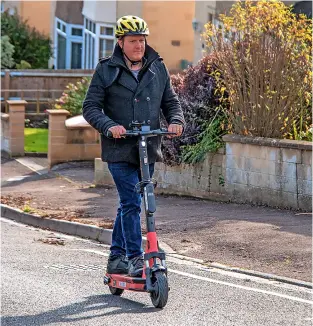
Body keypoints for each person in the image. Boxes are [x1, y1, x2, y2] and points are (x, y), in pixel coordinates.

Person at [83, 15, 185, 277]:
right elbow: (90, 107)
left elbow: (170, 102)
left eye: (141, 40)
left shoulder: (157, 67)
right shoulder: (106, 69)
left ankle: (116, 256)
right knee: (131, 202)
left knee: (131, 203)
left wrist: (176, 120)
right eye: (133, 41)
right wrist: (109, 126)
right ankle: (135, 258)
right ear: (120, 43)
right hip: (119, 148)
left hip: (147, 148)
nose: (139, 45)